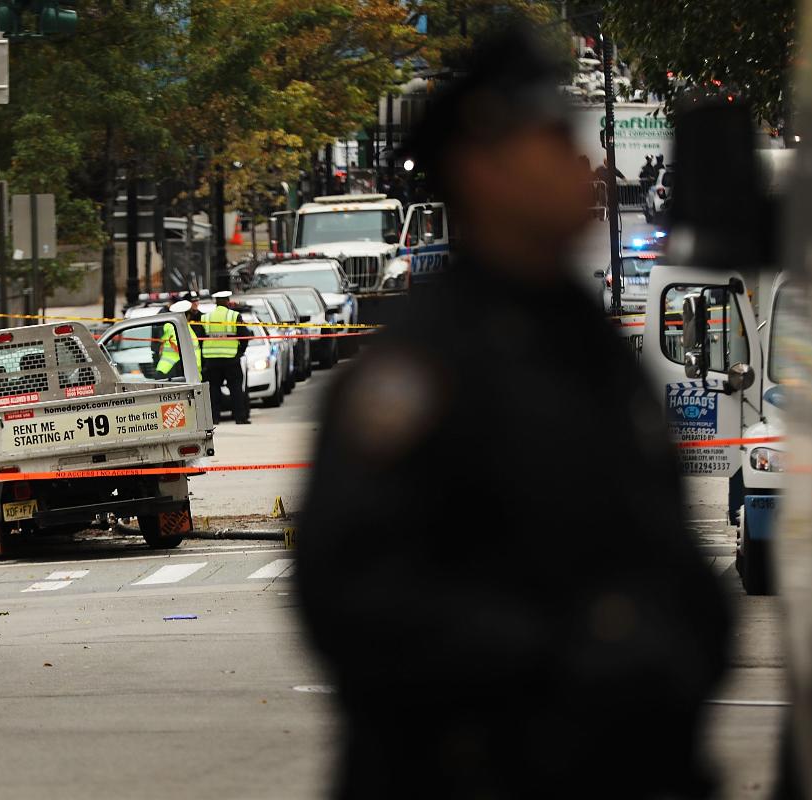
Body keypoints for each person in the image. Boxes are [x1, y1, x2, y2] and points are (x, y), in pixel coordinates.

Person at [297, 25, 732, 800]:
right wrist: (560, 655)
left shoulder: (587, 340)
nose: (576, 163)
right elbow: (353, 593)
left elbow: (661, 539)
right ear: (483, 172)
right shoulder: (422, 367)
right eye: (549, 139)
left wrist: (682, 646)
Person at [200, 290, 251, 425]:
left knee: (213, 390)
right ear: (227, 301)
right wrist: (240, 352)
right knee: (236, 389)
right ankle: (240, 417)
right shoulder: (234, 316)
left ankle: (214, 419)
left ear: (216, 302)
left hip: (211, 360)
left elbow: (200, 339)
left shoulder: (206, 318)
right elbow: (244, 335)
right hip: (231, 359)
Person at [155, 299, 202, 381]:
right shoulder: (177, 327)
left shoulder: (178, 326)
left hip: (178, 370)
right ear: (187, 315)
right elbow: (181, 348)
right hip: (174, 371)